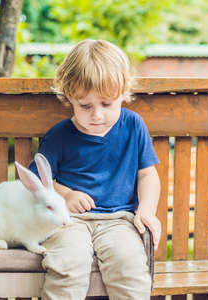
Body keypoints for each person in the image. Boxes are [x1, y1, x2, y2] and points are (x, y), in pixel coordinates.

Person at [28, 39, 161, 300]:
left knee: (129, 268)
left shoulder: (133, 125)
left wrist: (146, 210)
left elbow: (147, 174)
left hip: (119, 220)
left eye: (107, 104)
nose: (96, 115)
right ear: (69, 98)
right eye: (85, 106)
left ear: (123, 92)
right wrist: (65, 195)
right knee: (68, 265)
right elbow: (34, 180)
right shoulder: (60, 134)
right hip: (68, 221)